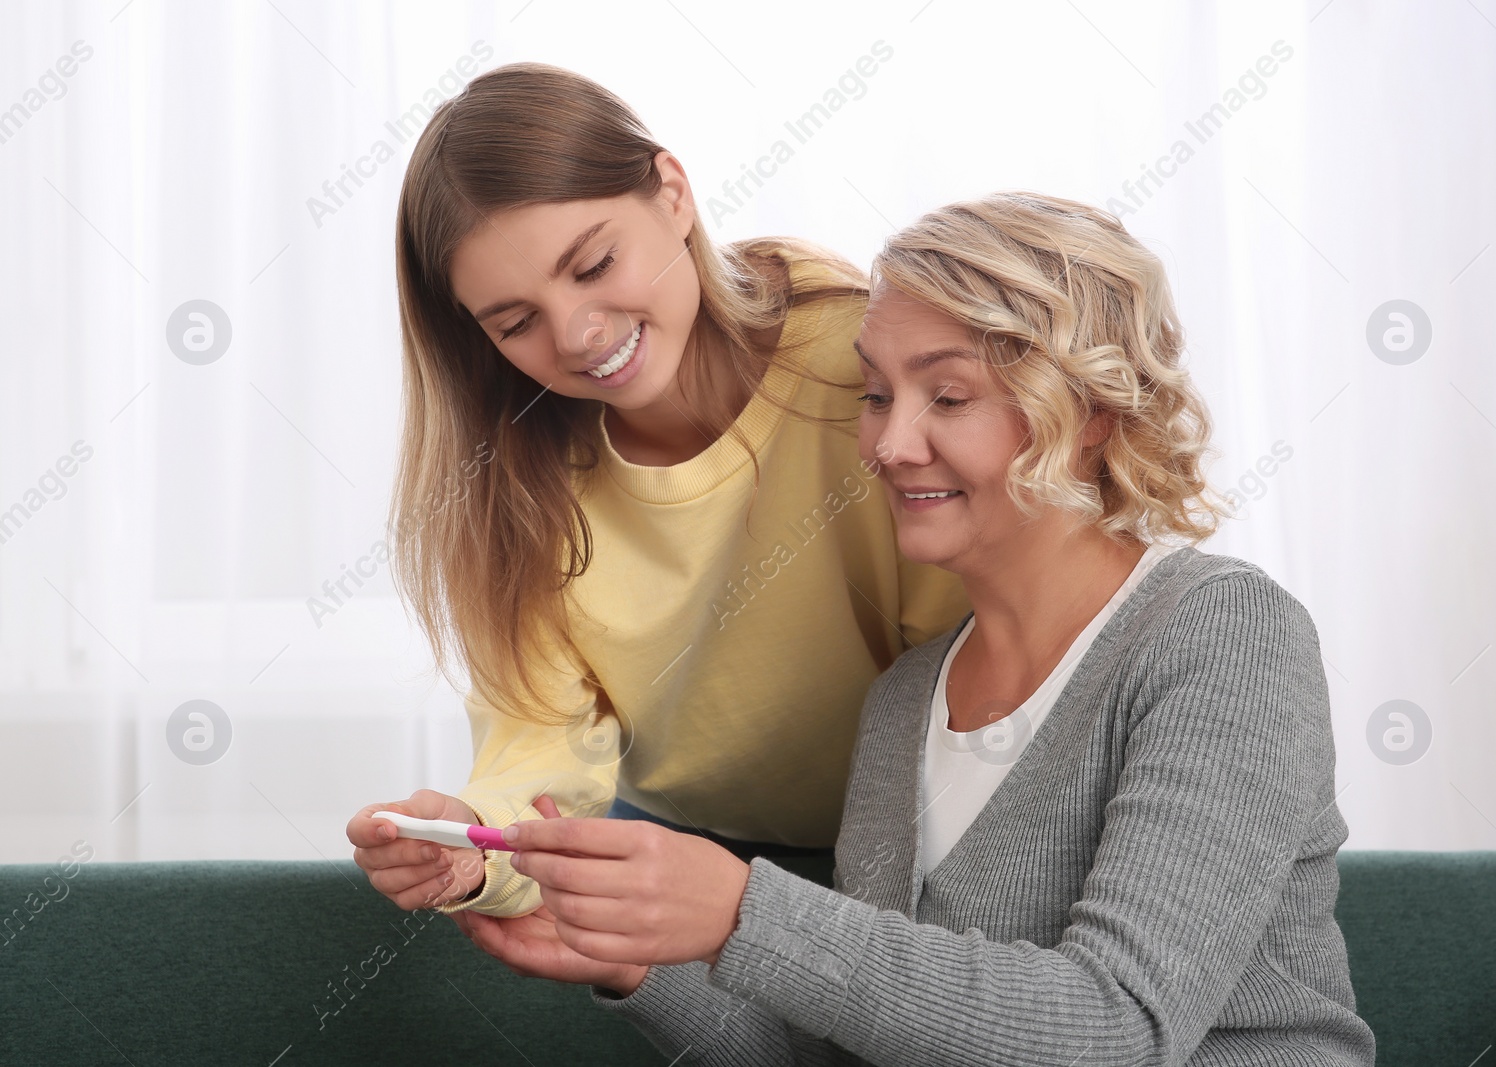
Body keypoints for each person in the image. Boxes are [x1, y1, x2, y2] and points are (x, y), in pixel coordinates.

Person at [454, 193, 1378, 1066]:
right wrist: (637, 964)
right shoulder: (905, 699)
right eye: (875, 395)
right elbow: (852, 1047)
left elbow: (1115, 1027)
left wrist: (743, 912)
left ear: (1091, 413)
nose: (889, 447)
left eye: (948, 397)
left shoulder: (1221, 635)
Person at [344, 62, 968, 919]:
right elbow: (540, 751)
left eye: (595, 264)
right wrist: (478, 842)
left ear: (672, 193)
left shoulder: (858, 364)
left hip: (925, 831)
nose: (577, 334)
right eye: (516, 322)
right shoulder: (519, 485)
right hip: (678, 844)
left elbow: (981, 647)